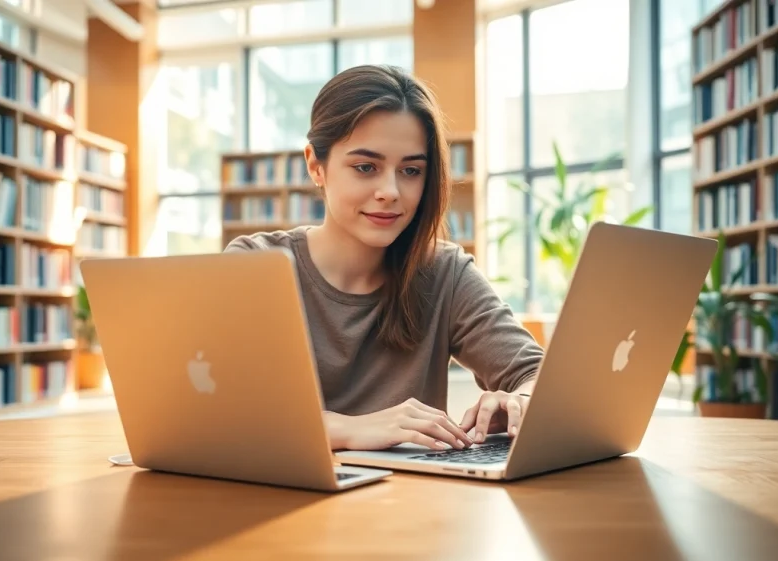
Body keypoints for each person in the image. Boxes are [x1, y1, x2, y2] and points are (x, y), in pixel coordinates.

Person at [225, 64, 544, 452]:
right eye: (366, 167)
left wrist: (521, 401)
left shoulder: (445, 273)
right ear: (315, 166)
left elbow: (538, 372)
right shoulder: (255, 263)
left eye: (410, 170)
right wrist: (349, 430)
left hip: (408, 504)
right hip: (280, 504)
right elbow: (232, 411)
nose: (391, 191)